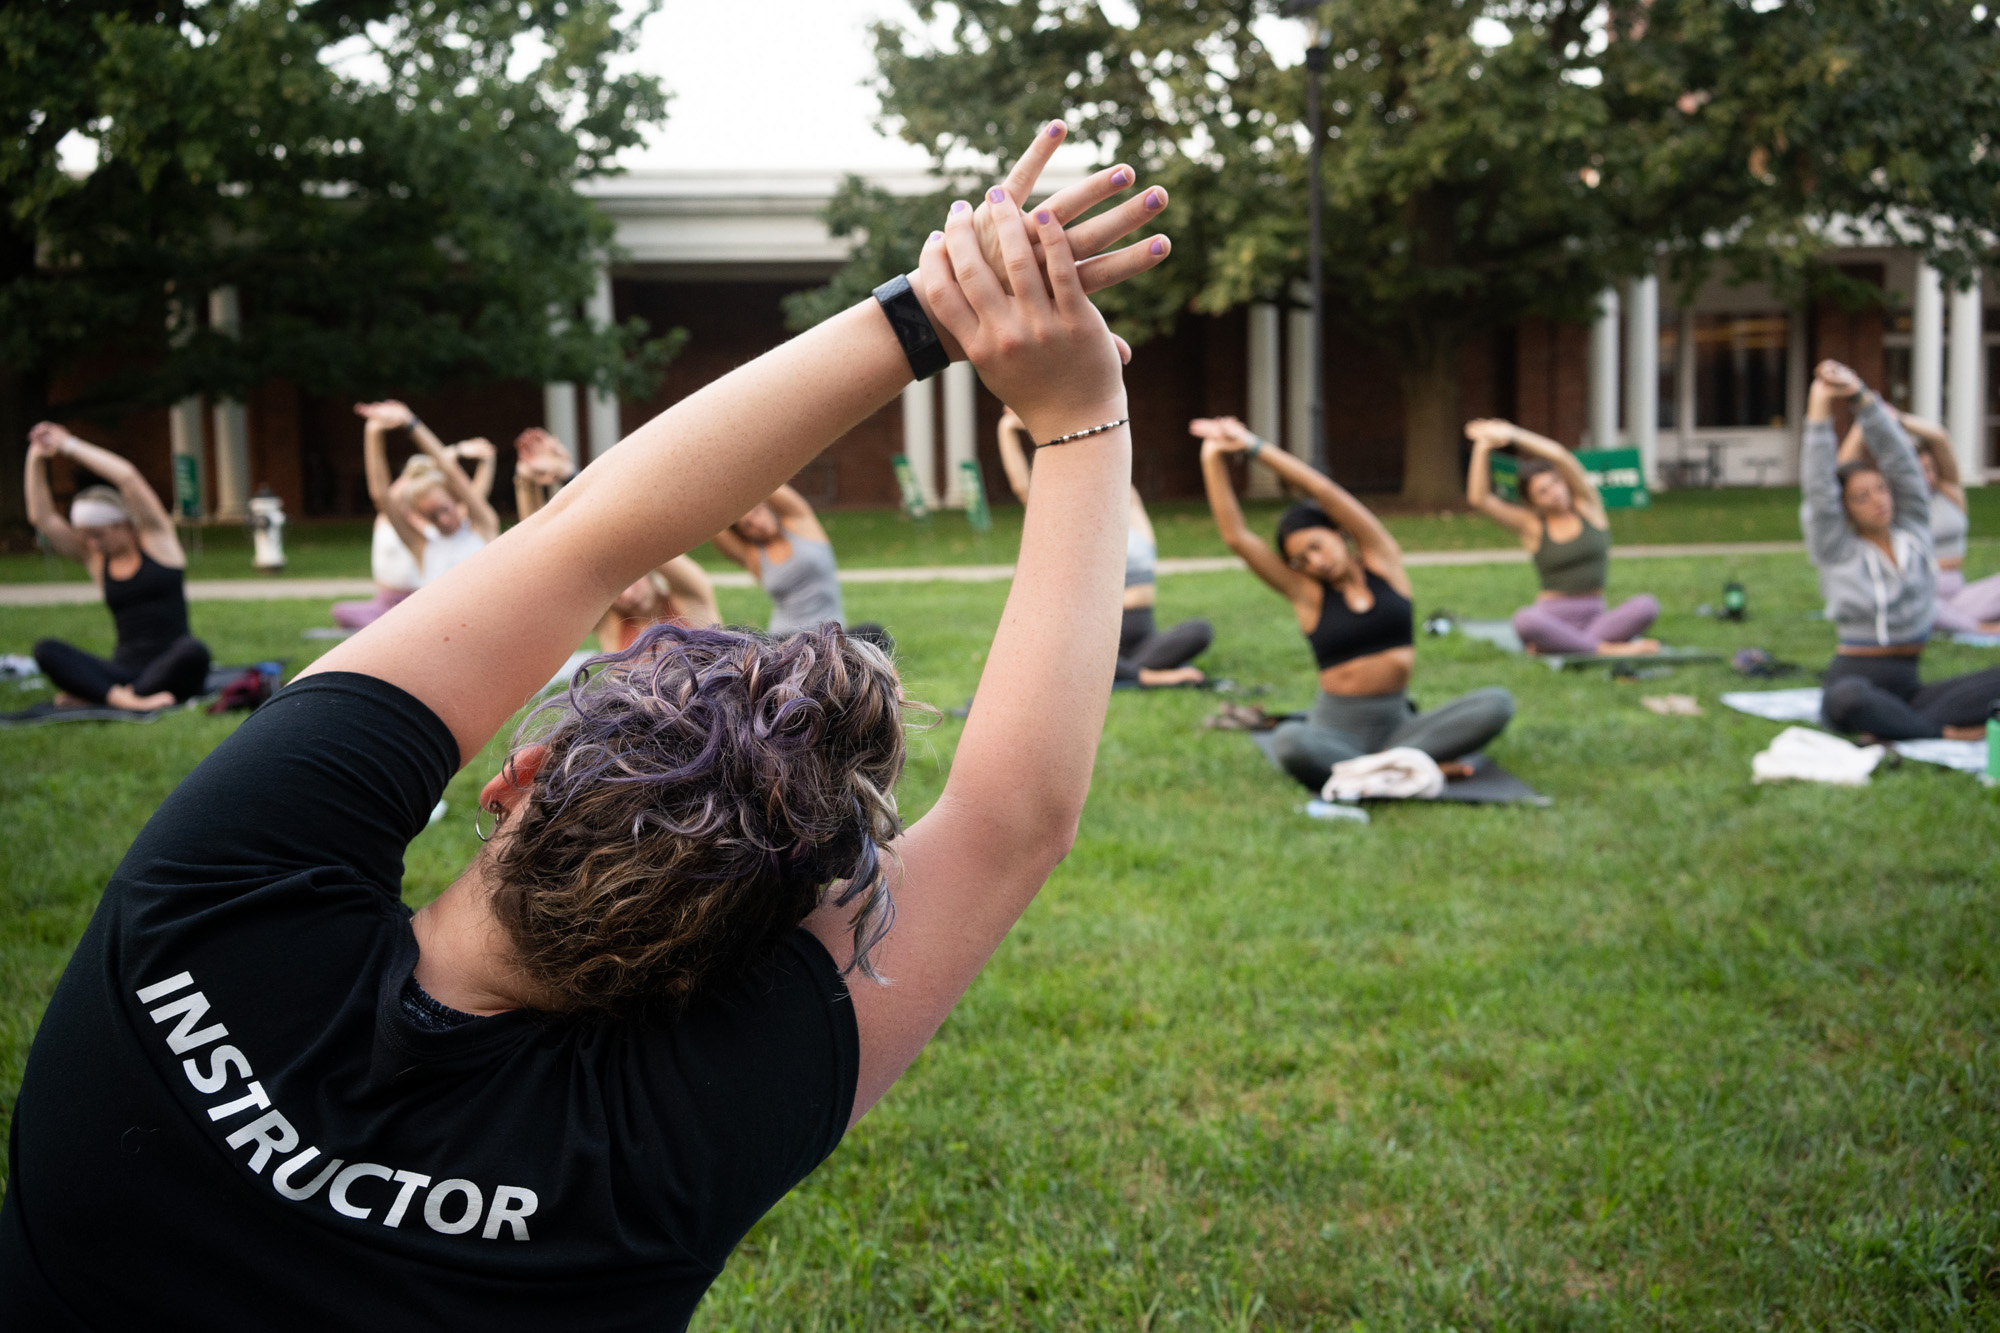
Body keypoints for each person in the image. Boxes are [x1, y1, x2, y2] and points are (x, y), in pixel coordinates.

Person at [0, 119, 1172, 1328]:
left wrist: (926, 313)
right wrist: (1084, 410)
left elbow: (582, 538)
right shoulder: (657, 1156)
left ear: (518, 776)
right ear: (740, 956)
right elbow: (1009, 818)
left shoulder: (209, 904)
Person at [1192, 416, 1515, 792]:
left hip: (1400, 726)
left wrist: (1253, 446)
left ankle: (1374, 770)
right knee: (1290, 742)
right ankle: (1402, 769)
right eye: (1301, 560)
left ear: (1338, 531)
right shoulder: (1308, 595)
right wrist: (1211, 458)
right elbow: (1237, 537)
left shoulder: (1385, 563)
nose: (1314, 562)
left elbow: (1322, 489)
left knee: (1497, 703)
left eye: (1316, 546)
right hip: (1336, 732)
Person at [1804, 360, 2000, 740]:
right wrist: (1820, 406)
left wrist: (1862, 398)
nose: (1878, 500)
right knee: (1849, 699)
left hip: (1909, 691)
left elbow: (1903, 464)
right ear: (1846, 509)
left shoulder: (1913, 530)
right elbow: (1817, 489)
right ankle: (1945, 735)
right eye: (1862, 497)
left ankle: (1902, 728)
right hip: (1854, 682)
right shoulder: (1837, 549)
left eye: (1880, 488)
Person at [999, 404, 1210, 686]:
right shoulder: (1077, 531)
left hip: (1144, 640)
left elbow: (1110, 456)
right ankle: (1144, 676)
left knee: (1200, 630)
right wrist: (1007, 429)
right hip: (1100, 638)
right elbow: (1024, 489)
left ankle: (1117, 673)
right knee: (1081, 656)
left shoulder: (1134, 517)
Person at [23, 422, 211, 711]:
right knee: (46, 649)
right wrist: (36, 455)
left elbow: (128, 478)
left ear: (122, 524)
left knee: (194, 650)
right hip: (122, 671)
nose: (92, 544)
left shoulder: (159, 541)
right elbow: (43, 519)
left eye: (98, 535)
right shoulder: (96, 559)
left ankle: (102, 697)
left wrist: (68, 445)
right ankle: (126, 699)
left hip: (173, 666)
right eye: (85, 537)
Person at [1463, 418, 1661, 656]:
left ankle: (1565, 644)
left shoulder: (1590, 509)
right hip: (1552, 616)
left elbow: (1560, 456)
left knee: (1647, 605)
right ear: (1533, 501)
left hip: (1595, 617)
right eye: (1542, 492)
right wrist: (1483, 445)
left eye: (1555, 483)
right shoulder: (1533, 526)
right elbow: (1479, 499)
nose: (1554, 493)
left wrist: (1512, 433)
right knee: (1524, 620)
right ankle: (1602, 649)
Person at [513, 427, 721, 645]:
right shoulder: (609, 624)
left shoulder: (691, 599)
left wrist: (569, 475)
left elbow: (645, 536)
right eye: (616, 592)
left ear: (648, 568)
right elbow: (542, 554)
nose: (628, 596)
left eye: (630, 580)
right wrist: (525, 481)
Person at [1839, 410, 2000, 635]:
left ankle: (1957, 620)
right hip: (1918, 597)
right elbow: (1845, 469)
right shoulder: (1892, 507)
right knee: (1919, 604)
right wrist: (1865, 419)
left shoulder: (1949, 493)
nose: (1928, 477)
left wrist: (1897, 417)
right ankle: (1979, 627)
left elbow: (1939, 438)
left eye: (1930, 469)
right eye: (1918, 470)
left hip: (1959, 596)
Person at [710, 484, 888, 646]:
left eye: (757, 512)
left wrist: (729, 475)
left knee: (874, 634)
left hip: (830, 638)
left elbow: (768, 481)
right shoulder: (753, 557)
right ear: (745, 535)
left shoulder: (801, 523)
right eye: (748, 526)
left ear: (766, 505)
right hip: (785, 641)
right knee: (737, 636)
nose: (758, 523)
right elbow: (711, 524)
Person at [354, 400, 501, 588]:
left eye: (445, 510)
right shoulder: (423, 547)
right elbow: (381, 496)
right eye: (433, 517)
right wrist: (373, 431)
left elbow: (449, 469)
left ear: (454, 499)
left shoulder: (483, 528)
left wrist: (411, 423)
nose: (443, 520)